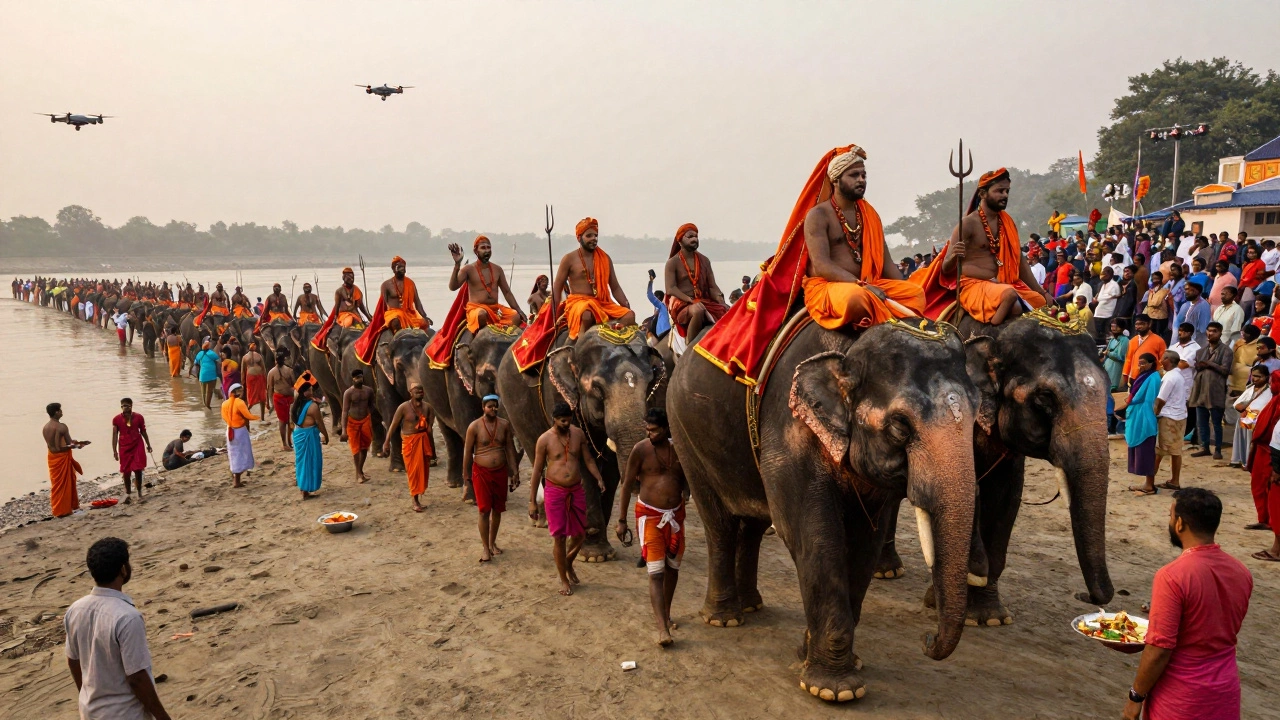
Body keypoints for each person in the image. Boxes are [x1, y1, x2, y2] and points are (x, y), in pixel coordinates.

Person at [1120, 488, 1252, 720]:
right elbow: (1213, 618)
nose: (1170, 521)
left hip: (1181, 699)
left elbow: (1159, 650)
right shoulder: (1242, 572)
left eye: (1171, 516)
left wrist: (1135, 697)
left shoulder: (1171, 576)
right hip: (1225, 693)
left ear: (1180, 524)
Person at [789, 147, 925, 328]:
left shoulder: (869, 215)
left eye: (864, 175)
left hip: (868, 285)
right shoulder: (818, 215)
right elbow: (822, 265)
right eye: (854, 175)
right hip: (830, 286)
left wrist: (902, 290)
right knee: (856, 298)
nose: (861, 180)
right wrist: (860, 285)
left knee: (915, 293)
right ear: (835, 180)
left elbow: (886, 264)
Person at [65, 537, 173, 720]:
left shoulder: (75, 609)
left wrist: (88, 697)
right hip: (125, 714)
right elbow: (137, 678)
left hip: (90, 711)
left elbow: (73, 661)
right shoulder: (127, 617)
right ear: (123, 569)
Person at [616, 408, 688, 647]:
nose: (650, 433)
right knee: (655, 572)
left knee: (672, 568)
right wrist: (621, 520)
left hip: (676, 517)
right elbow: (626, 484)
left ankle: (666, 613)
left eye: (654, 429)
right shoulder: (641, 450)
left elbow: (688, 478)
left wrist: (686, 491)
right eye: (647, 429)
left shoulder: (679, 450)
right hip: (649, 516)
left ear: (666, 429)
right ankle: (662, 629)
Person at [529, 402, 604, 596]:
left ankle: (568, 563)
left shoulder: (577, 434)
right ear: (554, 419)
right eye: (562, 421)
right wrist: (532, 501)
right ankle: (563, 579)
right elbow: (537, 470)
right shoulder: (544, 440)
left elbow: (587, 459)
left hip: (576, 489)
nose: (565, 424)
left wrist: (598, 478)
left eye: (568, 420)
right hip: (555, 491)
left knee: (580, 533)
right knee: (559, 537)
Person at [463, 395, 519, 562]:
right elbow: (467, 451)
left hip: (500, 471)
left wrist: (515, 470)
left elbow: (509, 448)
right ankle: (485, 548)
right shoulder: (474, 427)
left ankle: (492, 542)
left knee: (497, 509)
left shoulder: (504, 425)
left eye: (495, 406)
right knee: (483, 510)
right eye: (489, 406)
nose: (493, 409)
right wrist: (465, 474)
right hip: (481, 472)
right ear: (483, 407)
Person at [556, 218, 636, 336]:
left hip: (601, 303)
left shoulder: (605, 258)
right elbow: (557, 288)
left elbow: (615, 287)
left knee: (630, 315)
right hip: (579, 303)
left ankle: (612, 330)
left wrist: (625, 304)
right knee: (587, 314)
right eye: (589, 236)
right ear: (579, 238)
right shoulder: (569, 259)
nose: (594, 238)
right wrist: (554, 314)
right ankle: (579, 346)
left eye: (596, 236)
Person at [448, 236, 527, 332]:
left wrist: (519, 310)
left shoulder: (497, 269)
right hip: (476, 309)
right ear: (475, 251)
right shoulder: (468, 269)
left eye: (488, 247)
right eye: (483, 248)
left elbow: (507, 292)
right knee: (482, 315)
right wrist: (457, 264)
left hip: (495, 309)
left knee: (515, 316)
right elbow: (453, 287)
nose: (486, 251)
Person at [664, 223, 728, 342]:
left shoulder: (704, 260)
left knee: (729, 311)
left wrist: (721, 300)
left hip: (703, 301)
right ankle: (690, 344)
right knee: (698, 310)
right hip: (682, 303)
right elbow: (670, 288)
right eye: (690, 236)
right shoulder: (672, 263)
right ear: (680, 240)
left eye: (696, 236)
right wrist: (690, 300)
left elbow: (712, 287)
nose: (694, 239)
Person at [384, 384, 435, 512]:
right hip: (410, 443)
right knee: (412, 472)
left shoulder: (428, 408)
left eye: (421, 390)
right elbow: (393, 425)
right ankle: (415, 500)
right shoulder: (403, 407)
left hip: (423, 442)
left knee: (422, 472)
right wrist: (386, 442)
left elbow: (430, 430)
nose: (419, 392)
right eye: (416, 390)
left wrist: (432, 449)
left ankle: (417, 498)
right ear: (410, 392)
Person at [1189, 322, 1232, 459]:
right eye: (1208, 331)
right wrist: (1203, 364)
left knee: (1216, 422)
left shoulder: (1226, 351)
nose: (1210, 333)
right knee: (1201, 422)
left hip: (1216, 390)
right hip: (1201, 389)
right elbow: (1197, 366)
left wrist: (1208, 363)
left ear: (1220, 333)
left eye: (1214, 331)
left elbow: (1225, 370)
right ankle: (1205, 447)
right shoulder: (1201, 351)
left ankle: (1218, 449)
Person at [1125, 353, 1163, 495]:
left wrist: (1130, 403)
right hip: (1137, 415)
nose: (1140, 366)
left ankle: (1150, 485)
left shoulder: (1153, 377)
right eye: (1139, 363)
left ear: (1151, 363)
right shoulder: (1143, 375)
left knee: (1147, 451)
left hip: (1145, 416)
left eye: (1143, 363)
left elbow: (1149, 400)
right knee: (1140, 449)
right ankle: (1147, 483)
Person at [44, 402, 88, 518]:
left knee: (56, 484)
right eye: (60, 410)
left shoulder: (45, 427)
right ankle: (66, 509)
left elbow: (52, 446)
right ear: (56, 412)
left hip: (52, 457)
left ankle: (58, 509)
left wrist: (76, 443)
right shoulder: (61, 426)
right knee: (66, 483)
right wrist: (80, 445)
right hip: (62, 457)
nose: (62, 412)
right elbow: (69, 444)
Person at [292, 373, 328, 499]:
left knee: (301, 463)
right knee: (310, 462)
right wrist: (326, 435)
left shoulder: (296, 404)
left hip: (298, 434)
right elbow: (320, 423)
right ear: (305, 392)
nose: (312, 391)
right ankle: (305, 491)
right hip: (309, 436)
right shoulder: (312, 406)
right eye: (310, 390)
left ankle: (303, 488)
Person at [111, 398, 152, 504]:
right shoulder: (116, 419)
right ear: (121, 407)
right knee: (126, 471)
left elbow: (143, 431)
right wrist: (114, 451)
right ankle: (128, 493)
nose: (125, 408)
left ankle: (139, 492)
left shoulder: (138, 417)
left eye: (127, 405)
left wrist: (148, 444)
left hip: (137, 444)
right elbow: (115, 435)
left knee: (138, 469)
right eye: (123, 406)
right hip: (124, 446)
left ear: (131, 406)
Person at [339, 368, 376, 483]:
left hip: (365, 420)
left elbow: (372, 406)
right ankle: (359, 473)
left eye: (360, 377)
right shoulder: (348, 393)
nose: (358, 379)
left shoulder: (369, 391)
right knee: (356, 448)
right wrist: (344, 430)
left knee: (365, 446)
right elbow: (345, 411)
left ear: (362, 377)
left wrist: (375, 422)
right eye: (356, 378)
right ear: (352, 379)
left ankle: (360, 471)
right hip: (352, 421)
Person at [1230, 365, 1271, 469]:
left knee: (1250, 440)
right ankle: (1239, 459)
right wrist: (1244, 410)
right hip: (1245, 418)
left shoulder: (1270, 391)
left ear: (1266, 377)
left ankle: (1249, 462)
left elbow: (1266, 407)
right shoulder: (1250, 388)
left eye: (1258, 376)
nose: (1255, 379)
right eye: (1253, 376)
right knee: (1242, 437)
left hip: (1258, 421)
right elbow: (1238, 404)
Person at [221, 382, 258, 487]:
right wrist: (257, 418)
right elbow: (247, 416)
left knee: (234, 454)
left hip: (230, 430)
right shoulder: (240, 403)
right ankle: (236, 480)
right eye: (240, 390)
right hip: (240, 431)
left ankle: (235, 476)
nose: (242, 392)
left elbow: (224, 418)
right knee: (242, 453)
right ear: (235, 392)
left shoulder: (224, 404)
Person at [1121, 315, 1167, 388]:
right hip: (1134, 376)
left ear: (1149, 324)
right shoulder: (1132, 341)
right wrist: (1125, 374)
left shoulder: (1159, 341)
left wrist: (1159, 375)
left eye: (1142, 324)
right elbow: (1128, 359)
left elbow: (1163, 360)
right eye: (1137, 324)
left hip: (1150, 377)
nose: (1139, 326)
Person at [265, 350, 296, 449]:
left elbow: (294, 385)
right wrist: (270, 402)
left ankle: (289, 441)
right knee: (283, 421)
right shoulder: (272, 372)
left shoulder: (289, 370)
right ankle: (285, 443)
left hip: (289, 398)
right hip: (279, 398)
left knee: (290, 420)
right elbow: (269, 388)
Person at [1093, 266, 1121, 345]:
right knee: (1099, 335)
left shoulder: (1114, 285)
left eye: (1106, 273)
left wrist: (1097, 299)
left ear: (1111, 275)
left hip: (1107, 314)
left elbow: (1111, 296)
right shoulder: (1102, 284)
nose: (1103, 275)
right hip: (1099, 313)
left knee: (1106, 335)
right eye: (1103, 273)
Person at [191, 338, 221, 409]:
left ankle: (205, 405)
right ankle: (208, 405)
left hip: (202, 375)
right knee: (209, 391)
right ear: (209, 346)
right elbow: (219, 361)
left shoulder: (199, 354)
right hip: (211, 376)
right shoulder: (212, 353)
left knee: (203, 392)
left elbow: (195, 362)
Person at [241, 342, 268, 423]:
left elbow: (263, 368)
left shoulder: (258, 356)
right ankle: (244, 414)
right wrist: (242, 383)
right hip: (251, 378)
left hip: (259, 378)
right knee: (252, 398)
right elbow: (243, 371)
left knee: (262, 398)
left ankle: (262, 418)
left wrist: (265, 379)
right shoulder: (245, 357)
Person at [644, 269, 671, 340]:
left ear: (658, 298)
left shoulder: (661, 306)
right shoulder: (660, 309)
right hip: (662, 334)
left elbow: (649, 295)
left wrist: (651, 280)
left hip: (664, 333)